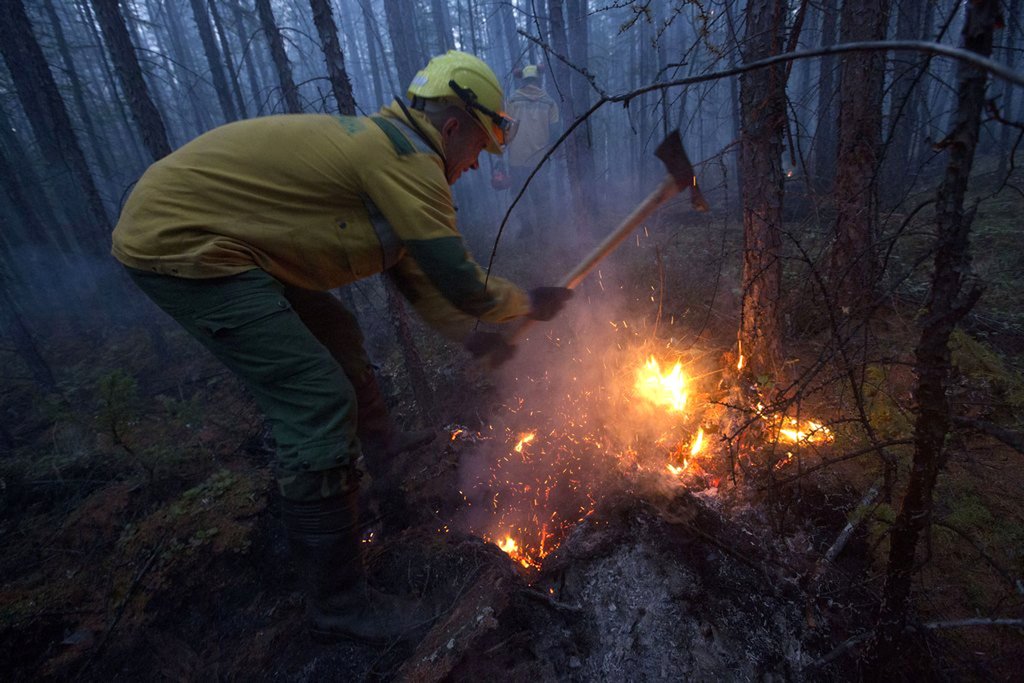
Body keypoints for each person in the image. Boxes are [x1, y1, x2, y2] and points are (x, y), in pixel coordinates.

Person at [111, 50, 572, 642]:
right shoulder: (405, 158)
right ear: (451, 128)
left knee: (341, 340)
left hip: (225, 242)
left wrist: (475, 339)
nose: (478, 165)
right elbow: (459, 279)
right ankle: (341, 605)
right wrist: (526, 303)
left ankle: (388, 482)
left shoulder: (396, 154)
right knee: (318, 402)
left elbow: (419, 282)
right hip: (185, 242)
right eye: (480, 148)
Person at [504, 64, 560, 239]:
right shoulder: (550, 102)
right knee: (541, 195)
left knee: (520, 194)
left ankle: (526, 228)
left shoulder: (512, 101)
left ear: (524, 80)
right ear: (539, 79)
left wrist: (503, 148)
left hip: (517, 158)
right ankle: (544, 231)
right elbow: (555, 132)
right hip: (540, 159)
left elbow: (505, 128)